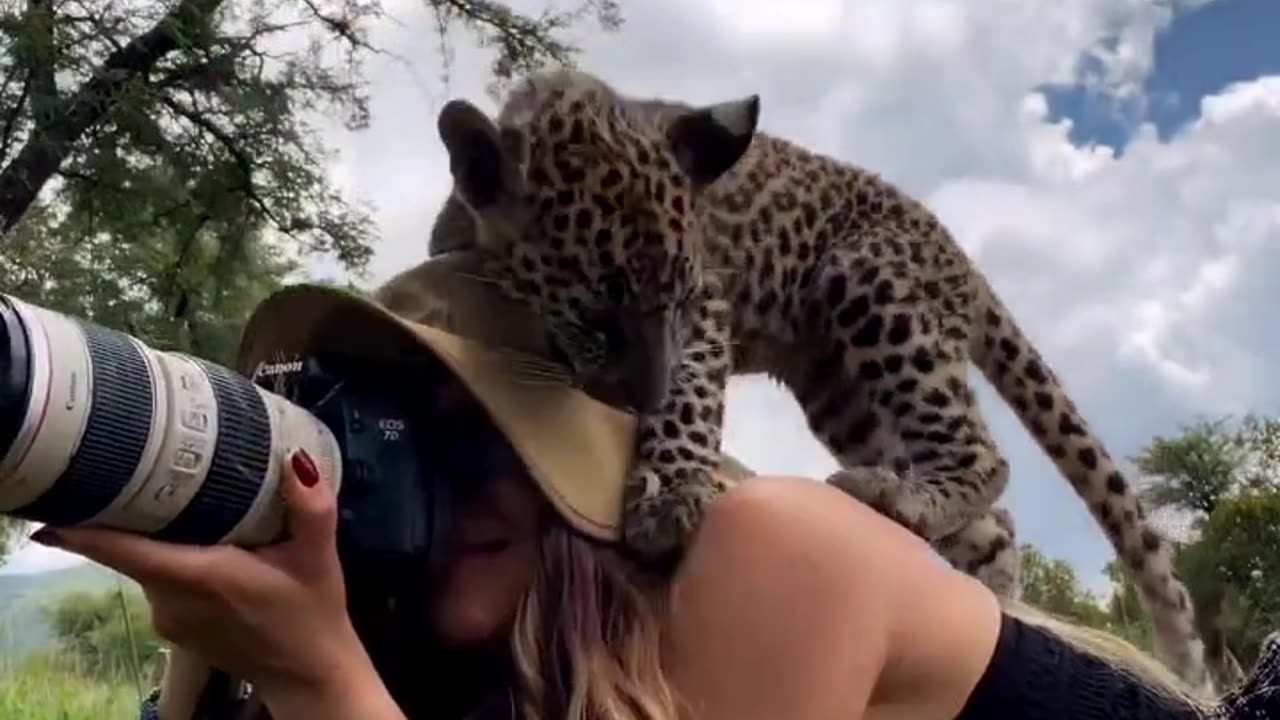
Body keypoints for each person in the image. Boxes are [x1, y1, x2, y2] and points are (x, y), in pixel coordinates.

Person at [27, 270, 1280, 720]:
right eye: (385, 429)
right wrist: (211, 610)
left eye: (491, 433)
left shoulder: (771, 545)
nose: (435, 478)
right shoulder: (472, 669)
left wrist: (315, 677)